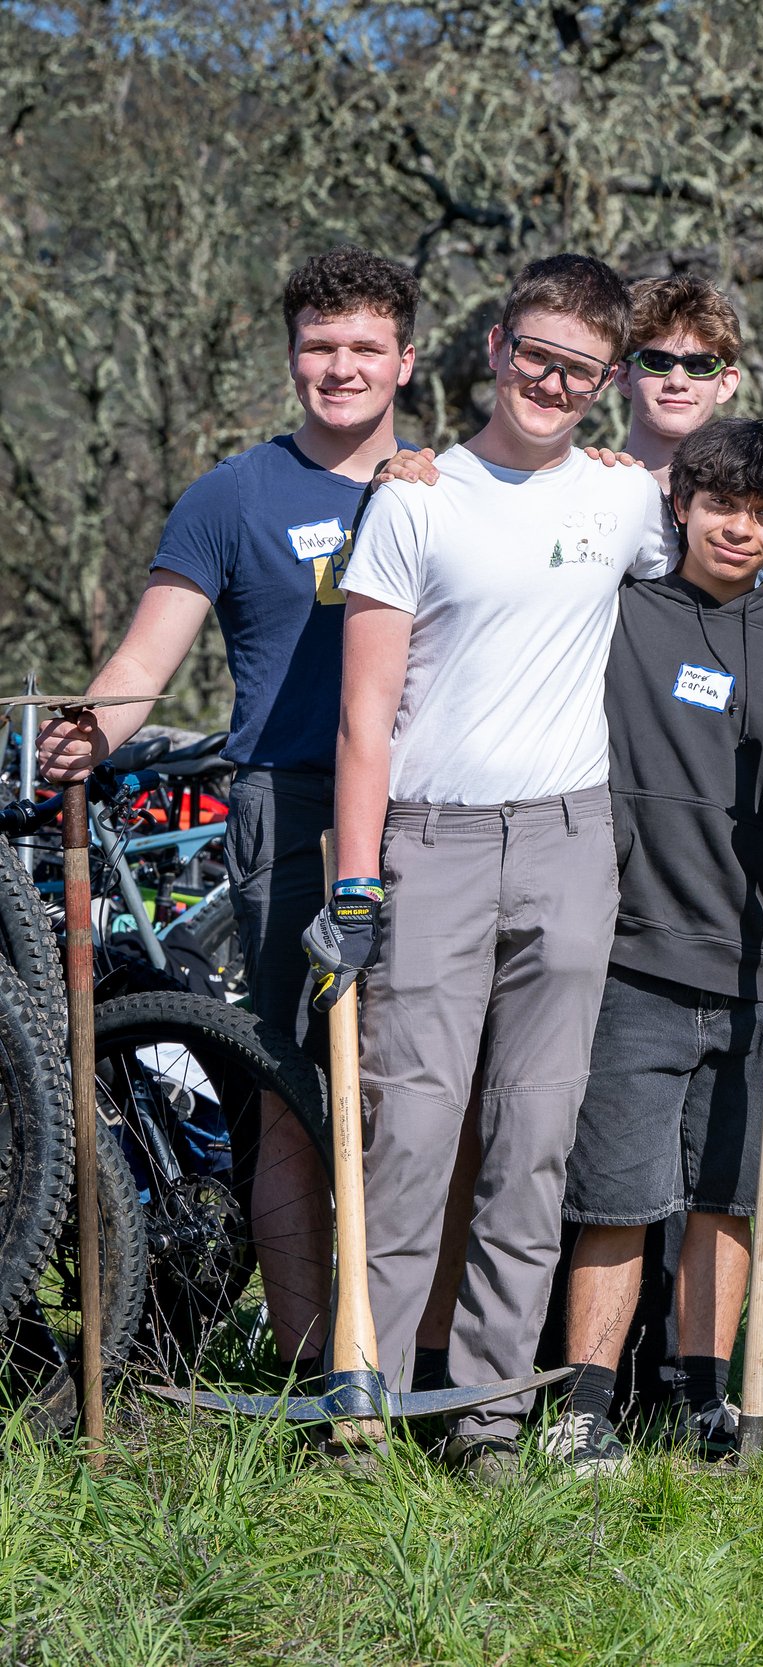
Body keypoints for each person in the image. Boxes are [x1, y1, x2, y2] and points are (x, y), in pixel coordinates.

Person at [309, 253, 673, 1476]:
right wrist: (356, 884)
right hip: (429, 843)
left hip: (570, 840)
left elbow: (713, 535)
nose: (552, 385)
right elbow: (364, 716)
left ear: (607, 381)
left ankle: (488, 1413)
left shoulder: (626, 501)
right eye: (536, 357)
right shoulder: (415, 498)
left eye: (581, 371)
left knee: (533, 1138)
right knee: (407, 1133)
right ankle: (368, 1399)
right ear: (495, 347)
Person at [34, 246, 419, 1376]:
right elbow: (143, 661)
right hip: (286, 808)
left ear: (405, 357)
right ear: (291, 354)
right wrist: (83, 731)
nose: (338, 367)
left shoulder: (453, 482)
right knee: (296, 1087)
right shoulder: (233, 494)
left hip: (436, 808)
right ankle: (309, 1366)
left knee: (430, 1084)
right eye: (318, 346)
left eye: (362, 346)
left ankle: (415, 1348)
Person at [542, 418, 763, 1474]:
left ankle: (699, 1397)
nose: (739, 529)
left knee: (731, 1195)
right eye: (721, 505)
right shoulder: (615, 615)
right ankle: (586, 1407)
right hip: (629, 957)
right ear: (680, 505)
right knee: (615, 1196)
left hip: (758, 967)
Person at [619, 276, 744, 487]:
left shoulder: (751, 506)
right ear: (623, 377)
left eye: (700, 364)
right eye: (656, 362)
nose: (677, 381)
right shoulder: (584, 489)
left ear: (725, 384)